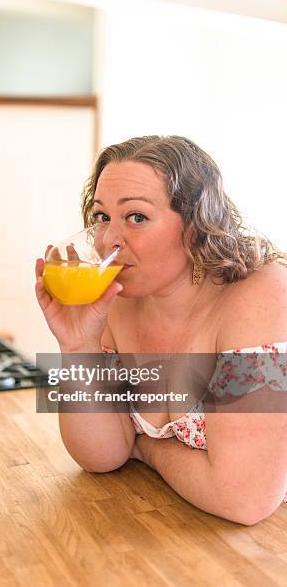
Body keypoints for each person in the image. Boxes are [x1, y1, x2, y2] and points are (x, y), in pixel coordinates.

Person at [35, 135, 287, 526]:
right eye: (102, 217)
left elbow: (243, 500)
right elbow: (101, 457)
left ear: (195, 226)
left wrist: (148, 448)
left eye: (136, 217)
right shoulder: (116, 295)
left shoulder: (261, 294)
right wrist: (77, 346)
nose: (108, 240)